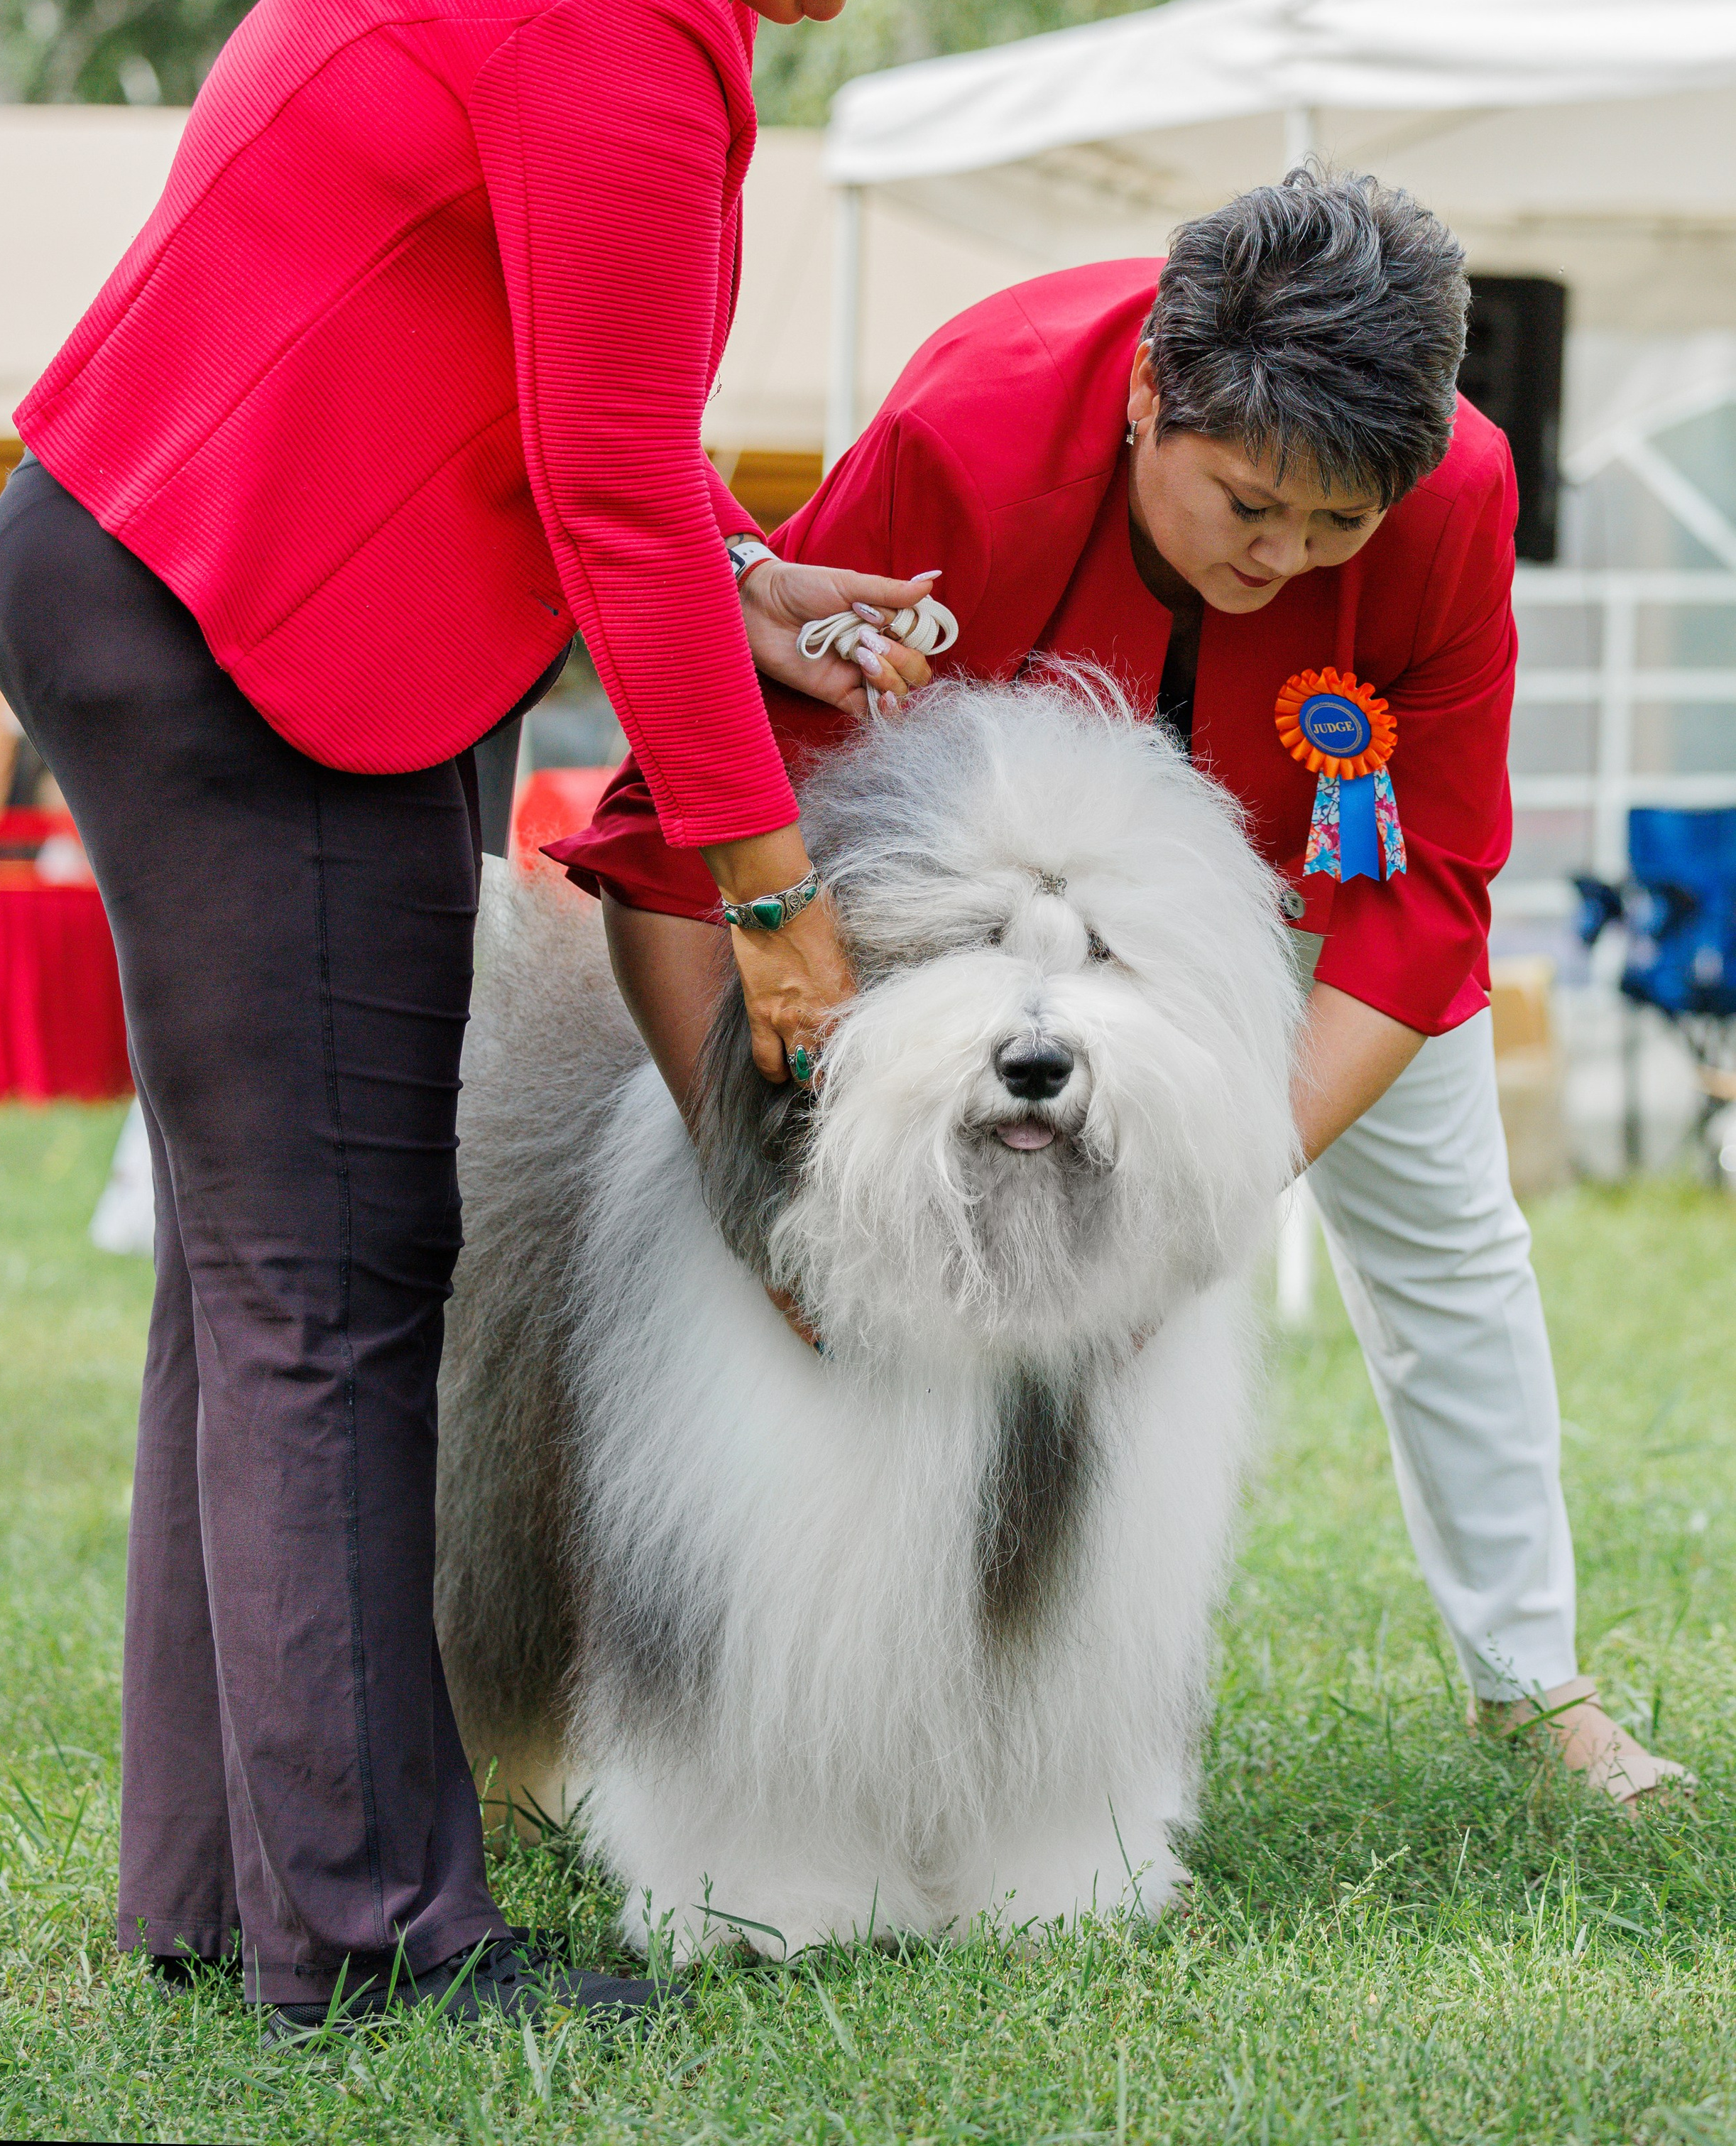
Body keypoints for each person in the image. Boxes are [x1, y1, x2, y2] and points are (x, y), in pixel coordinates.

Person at [0, 0, 1052, 2031]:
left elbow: (578, 413)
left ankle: (222, 1888)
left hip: (205, 583)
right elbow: (606, 494)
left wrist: (756, 586)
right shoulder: (622, 11)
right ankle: (367, 1937)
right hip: (237, 632)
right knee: (339, 1289)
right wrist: (774, 895)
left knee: (267, 1281)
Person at [552, 171, 1692, 1809]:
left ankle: (1534, 1685)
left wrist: (1209, 1167)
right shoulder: (974, 418)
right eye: (1246, 504)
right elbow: (697, 806)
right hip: (1004, 906)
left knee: (1453, 1243)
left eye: (1336, 529)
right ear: (1152, 390)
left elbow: (1427, 890)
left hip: (1309, 892)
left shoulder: (1461, 487)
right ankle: (858, 1689)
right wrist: (742, 1182)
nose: (1285, 558)